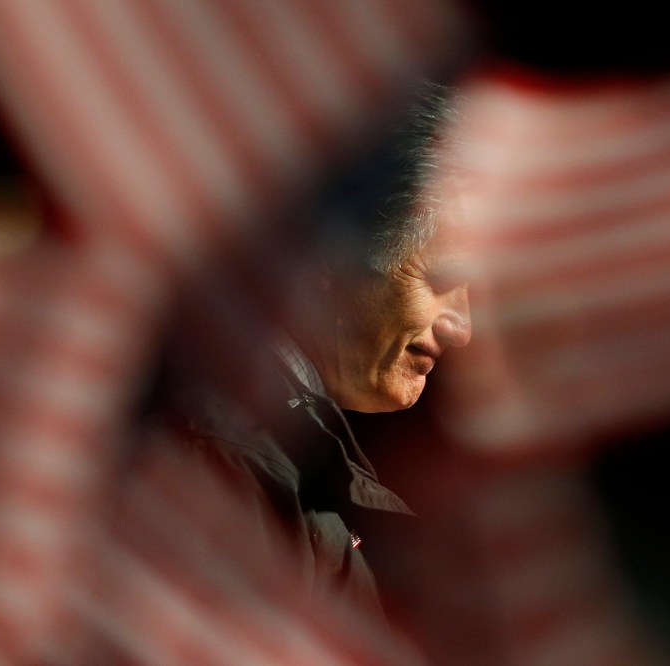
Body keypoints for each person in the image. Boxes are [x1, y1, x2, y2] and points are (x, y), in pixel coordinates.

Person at [106, 80, 474, 659]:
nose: (463, 326)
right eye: (443, 282)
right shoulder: (219, 455)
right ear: (336, 262)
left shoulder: (323, 474)